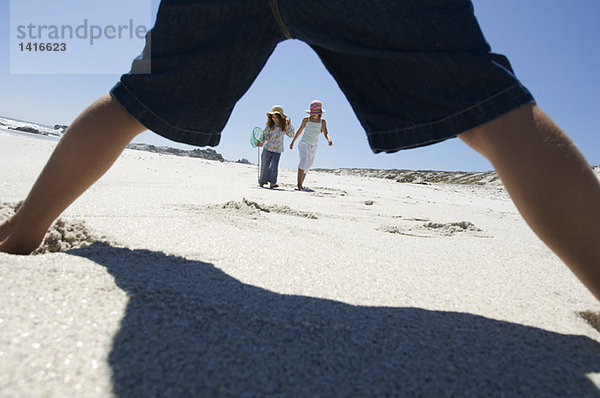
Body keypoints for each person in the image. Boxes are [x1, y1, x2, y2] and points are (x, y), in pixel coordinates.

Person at [0, 1, 599, 301]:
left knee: (136, 99)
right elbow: (271, 137)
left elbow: (292, 135)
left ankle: (22, 232)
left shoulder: (304, 122)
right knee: (488, 108)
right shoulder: (289, 122)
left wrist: (309, 135)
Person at [289, 100, 333, 190]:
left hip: (314, 145)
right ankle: (299, 185)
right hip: (304, 143)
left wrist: (329, 139)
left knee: (308, 164)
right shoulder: (306, 119)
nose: (313, 114)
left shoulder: (322, 121)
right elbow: (299, 131)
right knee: (303, 161)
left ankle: (301, 184)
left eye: (315, 113)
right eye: (312, 112)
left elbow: (326, 132)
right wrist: (293, 142)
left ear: (319, 113)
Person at [257, 105, 295, 189]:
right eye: (273, 117)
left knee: (274, 166)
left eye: (276, 117)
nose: (274, 119)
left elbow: (291, 135)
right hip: (267, 148)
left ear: (281, 117)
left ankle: (273, 183)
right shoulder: (269, 126)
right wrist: (261, 142)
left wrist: (289, 125)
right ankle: (262, 182)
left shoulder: (284, 126)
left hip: (278, 150)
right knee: (264, 165)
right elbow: (264, 136)